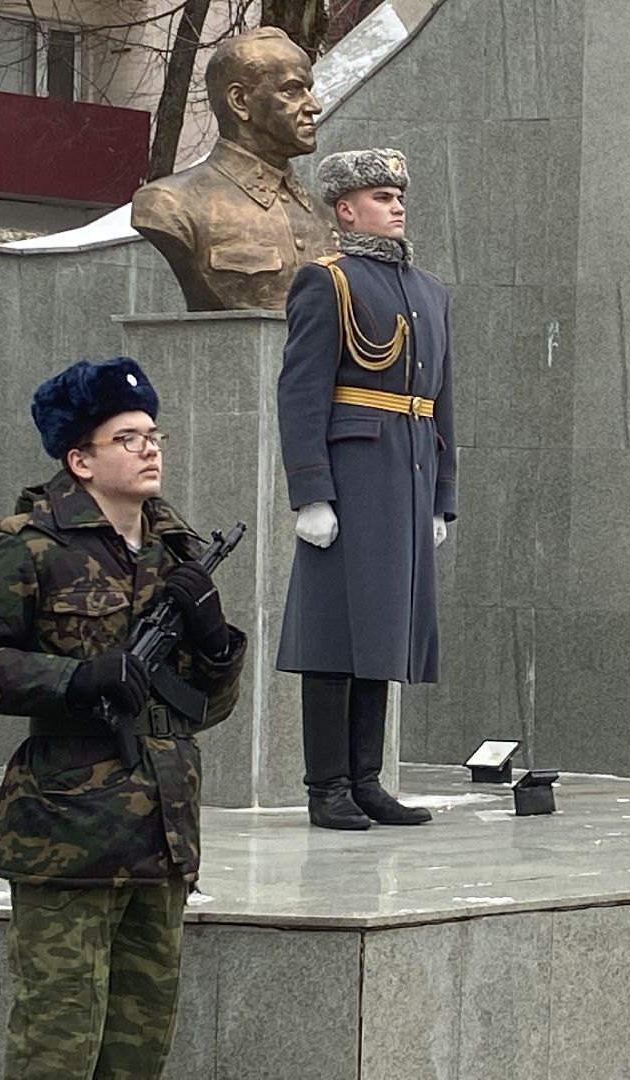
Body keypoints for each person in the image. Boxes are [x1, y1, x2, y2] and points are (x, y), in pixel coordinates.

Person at [0, 357, 248, 1079]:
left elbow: (204, 710)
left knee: (137, 1052)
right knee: (56, 1050)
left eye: (154, 434)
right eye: (127, 438)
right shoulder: (30, 545)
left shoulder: (177, 550)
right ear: (79, 459)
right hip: (67, 836)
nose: (150, 449)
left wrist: (216, 644)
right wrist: (74, 678)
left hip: (162, 833)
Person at [275, 147, 457, 830]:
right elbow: (301, 392)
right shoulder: (328, 282)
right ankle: (327, 786)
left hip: (408, 474)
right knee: (334, 633)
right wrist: (311, 492)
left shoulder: (429, 291)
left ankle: (365, 780)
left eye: (399, 195)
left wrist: (441, 496)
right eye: (381, 197)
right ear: (346, 210)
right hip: (352, 475)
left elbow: (441, 402)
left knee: (382, 630)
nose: (396, 205)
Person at [132, 27, 335, 311]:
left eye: (309, 91)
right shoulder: (170, 204)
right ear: (240, 101)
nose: (314, 106)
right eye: (292, 90)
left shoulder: (326, 216)